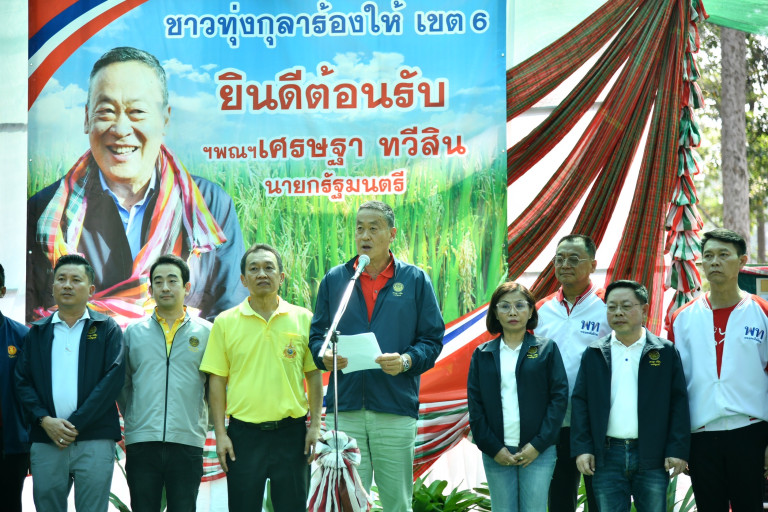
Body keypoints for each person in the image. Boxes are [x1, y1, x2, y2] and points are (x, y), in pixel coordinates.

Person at [26, 46, 246, 325]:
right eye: (106, 111)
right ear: (87, 118)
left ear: (165, 119)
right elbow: (27, 318)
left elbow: (229, 318)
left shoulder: (209, 206)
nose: (120, 129)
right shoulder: (44, 212)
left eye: (137, 111)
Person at [309, 200, 445, 512]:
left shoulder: (414, 280)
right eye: (359, 228)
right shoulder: (336, 279)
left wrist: (406, 361)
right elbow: (317, 337)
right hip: (345, 409)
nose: (365, 235)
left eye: (374, 228)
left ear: (392, 234)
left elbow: (432, 339)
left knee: (396, 503)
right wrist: (324, 355)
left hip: (394, 407)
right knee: (347, 503)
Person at [201, 244, 322, 511]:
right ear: (243, 280)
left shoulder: (303, 319)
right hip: (243, 436)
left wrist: (315, 426)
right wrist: (220, 434)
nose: (262, 274)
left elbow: (314, 375)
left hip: (292, 435)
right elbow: (216, 381)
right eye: (253, 269)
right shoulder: (225, 322)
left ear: (281, 276)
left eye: (269, 267)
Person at [15, 254, 125, 512]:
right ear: (52, 287)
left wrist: (74, 424)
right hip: (47, 439)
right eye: (61, 279)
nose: (67, 285)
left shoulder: (107, 328)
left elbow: (112, 380)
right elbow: (22, 382)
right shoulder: (36, 333)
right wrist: (45, 420)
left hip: (95, 439)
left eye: (76, 279)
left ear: (91, 290)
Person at [670, 228, 768, 512]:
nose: (715, 262)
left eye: (724, 255)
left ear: (742, 261)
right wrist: (679, 443)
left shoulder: (761, 311)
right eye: (709, 256)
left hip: (751, 431)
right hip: (701, 435)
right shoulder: (681, 318)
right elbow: (675, 386)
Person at [571, 280, 689, 512]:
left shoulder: (664, 351)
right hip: (607, 455)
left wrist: (677, 449)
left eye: (626, 306)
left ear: (644, 310)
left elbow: (679, 403)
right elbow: (580, 403)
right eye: (612, 307)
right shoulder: (595, 352)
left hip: (652, 454)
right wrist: (583, 448)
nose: (618, 312)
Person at [120, 254, 211, 511]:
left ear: (187, 287)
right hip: (142, 441)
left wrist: (198, 420)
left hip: (187, 441)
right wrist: (136, 416)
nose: (165, 287)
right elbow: (123, 384)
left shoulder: (206, 332)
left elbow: (213, 386)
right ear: (150, 290)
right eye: (158, 282)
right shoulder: (133, 332)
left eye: (172, 281)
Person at [467, 281, 568, 511]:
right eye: (504, 306)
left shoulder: (546, 349)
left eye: (520, 305)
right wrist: (494, 448)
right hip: (497, 452)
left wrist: (538, 445)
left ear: (531, 311)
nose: (512, 312)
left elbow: (559, 399)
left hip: (538, 451)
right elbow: (476, 407)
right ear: (495, 312)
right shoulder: (482, 354)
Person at [534, 234, 610, 512]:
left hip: (596, 422)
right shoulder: (540, 309)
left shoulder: (608, 306)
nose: (565, 264)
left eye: (574, 258)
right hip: (554, 421)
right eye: (560, 258)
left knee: (601, 499)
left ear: (593, 265)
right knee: (559, 500)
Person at [0, 263, 31, 512]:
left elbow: (33, 391)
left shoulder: (21, 336)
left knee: (9, 504)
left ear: (2, 291)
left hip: (11, 445)